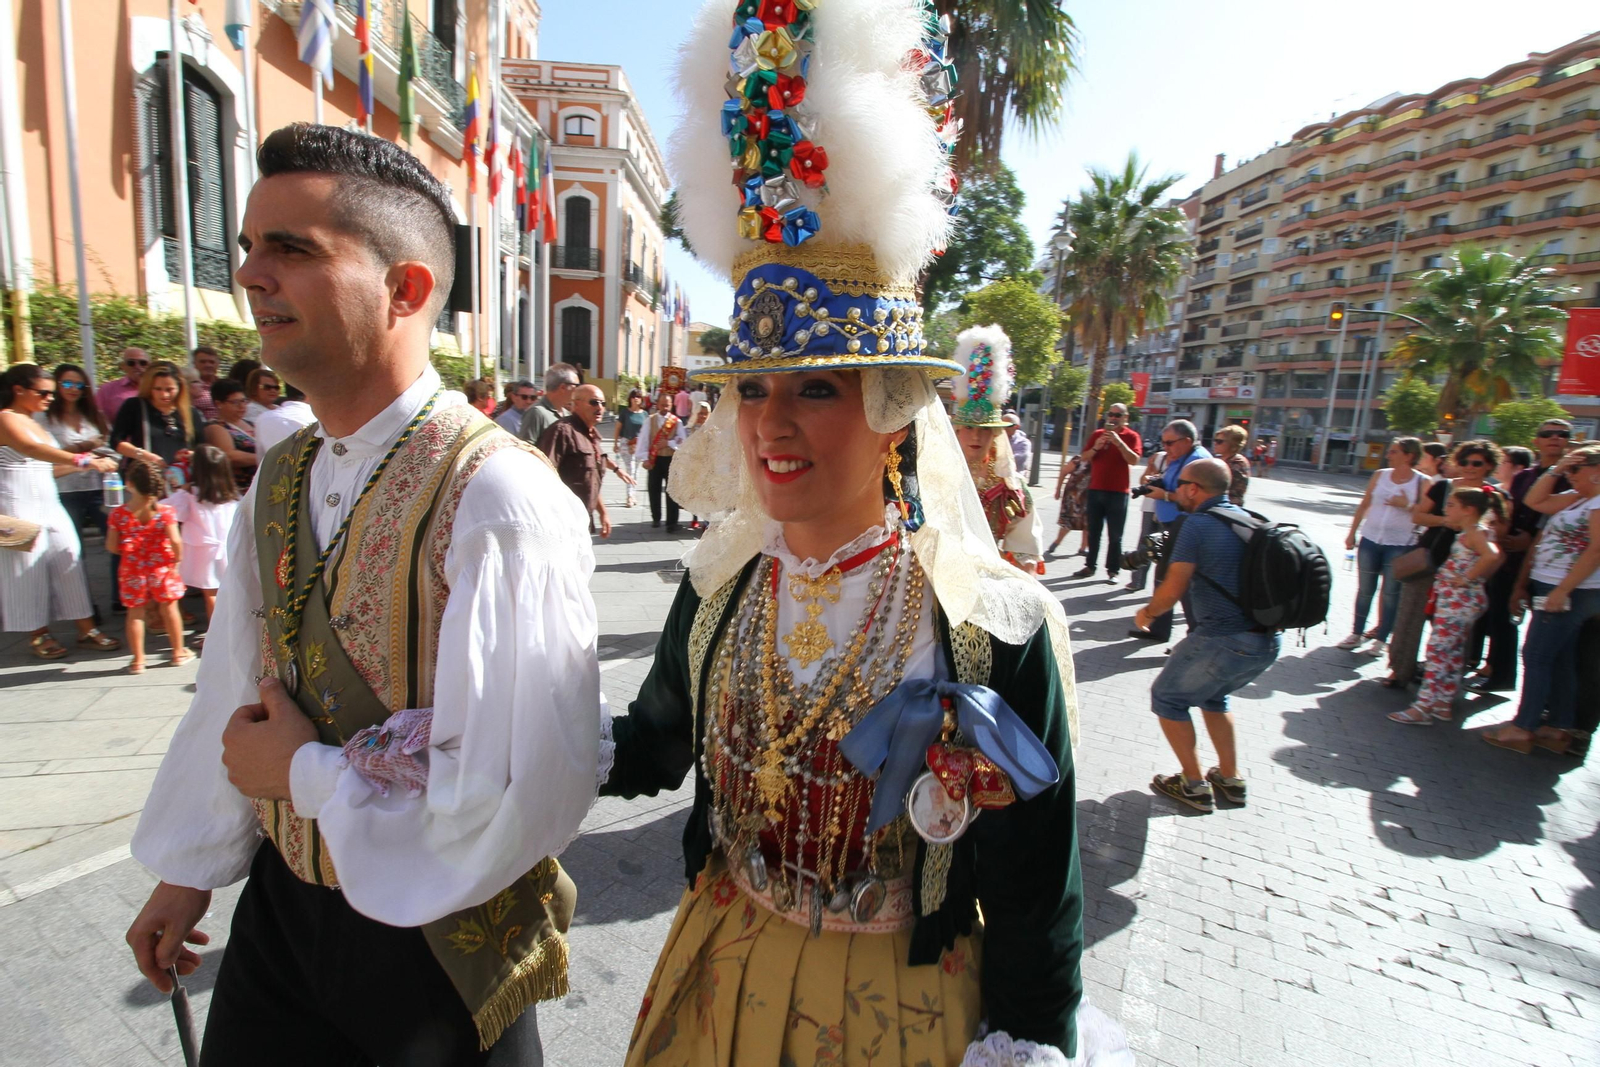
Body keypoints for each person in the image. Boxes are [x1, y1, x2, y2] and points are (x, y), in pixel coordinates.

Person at [597, 3, 1137, 1061]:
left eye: (816, 388)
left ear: (893, 407)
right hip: (720, 967)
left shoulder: (988, 623)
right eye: (752, 388)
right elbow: (654, 740)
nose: (771, 424)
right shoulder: (719, 580)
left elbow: (1034, 889)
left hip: (902, 1007)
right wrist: (498, 741)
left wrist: (1029, 1037)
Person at [125, 123, 603, 1066]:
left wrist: (304, 774)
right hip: (282, 915)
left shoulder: (498, 494)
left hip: (439, 944)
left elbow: (523, 788)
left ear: (405, 289)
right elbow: (237, 684)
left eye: (292, 249)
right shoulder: (282, 472)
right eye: (250, 245)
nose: (250, 273)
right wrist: (188, 867)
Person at [1135, 459, 1278, 813]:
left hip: (1223, 639)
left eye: (1180, 484)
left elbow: (1172, 588)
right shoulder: (1248, 519)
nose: (1175, 490)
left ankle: (1193, 784)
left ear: (1194, 489)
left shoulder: (1197, 525)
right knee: (1214, 697)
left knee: (1167, 698)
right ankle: (1230, 778)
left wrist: (1147, 614)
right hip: (1265, 641)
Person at [1484, 444, 1600, 754]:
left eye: (1576, 469)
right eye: (1569, 470)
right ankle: (1557, 727)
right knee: (1559, 657)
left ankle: (1523, 727)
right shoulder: (1579, 496)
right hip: (1553, 585)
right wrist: (1558, 468)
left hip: (1571, 590)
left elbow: (1597, 551)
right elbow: (1534, 500)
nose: (1570, 475)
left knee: (1536, 655)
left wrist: (1563, 590)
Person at [0, 364, 122, 658]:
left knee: (69, 559)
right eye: (43, 392)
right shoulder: (5, 417)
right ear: (18, 390)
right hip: (15, 506)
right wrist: (83, 460)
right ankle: (38, 634)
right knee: (26, 571)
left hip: (49, 504)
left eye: (51, 393)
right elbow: (30, 449)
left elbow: (47, 467)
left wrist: (88, 463)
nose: (50, 398)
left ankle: (86, 629)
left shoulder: (35, 420)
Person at [1383, 440, 1502, 688]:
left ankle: (1445, 683)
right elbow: (1418, 516)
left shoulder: (1494, 496)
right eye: (1464, 462)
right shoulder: (1443, 487)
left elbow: (1499, 534)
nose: (1469, 467)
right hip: (1428, 560)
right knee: (1409, 615)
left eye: (1477, 463)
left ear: (1489, 465)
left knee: (1455, 628)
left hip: (1465, 569)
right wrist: (1447, 521)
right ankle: (1399, 669)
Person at [1470, 422, 1575, 693]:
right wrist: (1504, 534)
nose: (1555, 438)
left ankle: (1549, 699)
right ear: (1536, 441)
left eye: (1562, 434)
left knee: (1549, 636)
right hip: (1512, 559)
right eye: (1547, 434)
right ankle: (1500, 674)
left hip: (1554, 564)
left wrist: (1531, 540)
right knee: (1501, 617)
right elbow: (1512, 511)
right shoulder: (1524, 476)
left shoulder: (1575, 477)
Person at [1387, 486, 1503, 725]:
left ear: (1468, 510)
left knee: (1438, 652)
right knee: (1452, 652)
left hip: (1458, 600)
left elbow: (1492, 555)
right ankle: (1442, 703)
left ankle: (1423, 706)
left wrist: (1467, 577)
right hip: (1460, 599)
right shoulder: (1472, 531)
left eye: (1451, 505)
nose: (1446, 509)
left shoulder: (1474, 532)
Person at [951, 327, 1046, 573]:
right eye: (969, 427)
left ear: (995, 433)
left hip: (988, 578)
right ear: (957, 429)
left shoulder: (1009, 486)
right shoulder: (934, 473)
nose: (976, 435)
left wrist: (1025, 569)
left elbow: (1026, 545)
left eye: (984, 429)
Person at [1338, 437, 1427, 655]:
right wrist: (1352, 532)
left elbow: (1425, 514)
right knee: (1365, 589)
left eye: (1394, 451)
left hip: (1400, 543)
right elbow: (1364, 504)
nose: (1388, 455)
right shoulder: (1380, 475)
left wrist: (1406, 504)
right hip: (1370, 539)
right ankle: (1356, 633)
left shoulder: (1422, 482)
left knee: (1390, 592)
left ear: (1409, 455)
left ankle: (1381, 639)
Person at [1129, 420, 1213, 643]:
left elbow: (1194, 498)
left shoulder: (1197, 461)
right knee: (1163, 577)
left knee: (1182, 584)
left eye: (1169, 443)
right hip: (1173, 525)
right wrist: (1157, 482)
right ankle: (1159, 629)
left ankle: (1195, 636)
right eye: (1163, 442)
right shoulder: (1179, 457)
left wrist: (1164, 495)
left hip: (1185, 526)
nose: (1165, 447)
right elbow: (1174, 483)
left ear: (1187, 441)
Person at [107, 460, 190, 673]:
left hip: (132, 568)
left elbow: (111, 546)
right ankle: (178, 652)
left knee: (135, 613)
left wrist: (129, 552)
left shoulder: (118, 514)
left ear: (129, 484)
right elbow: (175, 540)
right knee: (169, 608)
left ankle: (138, 660)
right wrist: (177, 560)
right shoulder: (165, 512)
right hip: (162, 566)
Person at [1057, 403, 1140, 581]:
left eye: (1118, 415)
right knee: (1093, 532)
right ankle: (1090, 566)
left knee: (1115, 535)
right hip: (1095, 490)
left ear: (1125, 418)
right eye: (1111, 414)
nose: (1113, 418)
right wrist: (1096, 446)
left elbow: (1134, 460)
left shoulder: (1132, 436)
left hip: (1118, 492)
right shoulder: (1097, 434)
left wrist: (1119, 443)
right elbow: (1084, 457)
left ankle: (1113, 571)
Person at [537, 384, 634, 537]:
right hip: (562, 523)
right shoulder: (562, 431)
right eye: (594, 402)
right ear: (576, 405)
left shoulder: (591, 435)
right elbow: (543, 475)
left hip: (583, 520)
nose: (600, 407)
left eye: (603, 403)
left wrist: (603, 513)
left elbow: (590, 480)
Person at [166, 444, 241, 624]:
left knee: (211, 594)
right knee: (232, 592)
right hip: (230, 547)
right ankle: (232, 629)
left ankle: (218, 633)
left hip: (204, 552)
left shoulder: (189, 495)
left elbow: (169, 511)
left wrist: (179, 489)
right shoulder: (233, 495)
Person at [40, 363, 109, 537]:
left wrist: (96, 452)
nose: (73, 389)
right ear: (56, 385)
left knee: (116, 538)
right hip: (64, 489)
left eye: (79, 385)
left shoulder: (93, 415)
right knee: (72, 543)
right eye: (67, 383)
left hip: (97, 486)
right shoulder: (45, 417)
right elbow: (44, 454)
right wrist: (85, 447)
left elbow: (109, 446)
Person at [110, 363, 200, 477]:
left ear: (180, 387)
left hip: (180, 479)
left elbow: (202, 447)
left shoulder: (191, 412)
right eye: (158, 389)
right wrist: (144, 455)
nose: (164, 395)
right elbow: (116, 441)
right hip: (145, 477)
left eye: (170, 389)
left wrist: (190, 455)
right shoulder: (134, 406)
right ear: (149, 387)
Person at [636, 391, 685, 531]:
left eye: (667, 405)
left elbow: (683, 441)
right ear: (657, 404)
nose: (665, 407)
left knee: (672, 491)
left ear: (671, 405)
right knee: (653, 488)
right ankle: (656, 518)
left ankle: (672, 522)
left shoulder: (677, 422)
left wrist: (669, 443)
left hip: (671, 460)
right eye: (662, 404)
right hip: (655, 458)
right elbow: (643, 439)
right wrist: (645, 458)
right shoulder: (650, 420)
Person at [202, 380, 259, 492]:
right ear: (219, 404)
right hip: (240, 489)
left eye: (244, 401)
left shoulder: (251, 424)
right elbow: (229, 456)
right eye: (235, 402)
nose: (242, 406)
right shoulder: (215, 427)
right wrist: (264, 457)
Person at [1126, 448, 1168, 592]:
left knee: (1164, 546)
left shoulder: (1182, 461)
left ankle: (1161, 587)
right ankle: (1137, 581)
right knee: (1145, 542)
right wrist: (1150, 468)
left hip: (1166, 508)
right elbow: (1143, 480)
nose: (1167, 447)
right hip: (1150, 506)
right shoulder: (1160, 457)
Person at [519, 363, 578, 443]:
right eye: (576, 386)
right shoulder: (536, 412)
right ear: (563, 387)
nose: (577, 390)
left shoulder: (567, 414)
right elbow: (526, 447)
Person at [252, 381, 317, 452]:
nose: (272, 390)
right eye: (267, 387)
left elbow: (262, 456)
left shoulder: (263, 419)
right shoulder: (316, 418)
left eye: (276, 387)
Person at [97, 347, 151, 423]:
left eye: (143, 363)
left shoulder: (159, 389)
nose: (137, 367)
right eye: (131, 363)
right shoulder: (107, 390)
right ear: (123, 366)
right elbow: (97, 419)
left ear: (150, 365)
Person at [613, 391, 647, 507]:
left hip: (639, 445)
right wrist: (615, 443)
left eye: (638, 397)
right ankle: (629, 496)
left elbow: (647, 431)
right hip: (626, 443)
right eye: (633, 397)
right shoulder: (625, 412)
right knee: (630, 469)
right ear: (630, 399)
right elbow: (618, 428)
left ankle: (633, 494)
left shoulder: (645, 414)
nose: (635, 399)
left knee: (636, 470)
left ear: (641, 399)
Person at [683, 400, 712, 531]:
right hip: (693, 465)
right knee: (694, 493)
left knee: (708, 494)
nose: (703, 416)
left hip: (709, 466)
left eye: (705, 413)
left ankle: (707, 521)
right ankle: (694, 517)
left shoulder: (714, 429)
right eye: (700, 413)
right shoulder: (688, 430)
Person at [1211, 424, 1251, 505]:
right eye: (1215, 440)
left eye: (1219, 441)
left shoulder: (1237, 463)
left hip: (1228, 505)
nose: (1215, 443)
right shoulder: (1220, 458)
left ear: (1232, 444)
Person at [190, 345, 224, 423]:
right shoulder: (189, 387)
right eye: (203, 362)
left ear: (217, 364)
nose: (208, 365)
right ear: (194, 364)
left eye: (212, 362)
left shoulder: (225, 386)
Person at [1004, 411, 1032, 476]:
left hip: (1015, 477)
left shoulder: (1023, 443)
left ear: (1016, 427)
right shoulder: (995, 438)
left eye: (1007, 425)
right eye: (1001, 425)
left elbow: (1015, 460)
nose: (1004, 428)